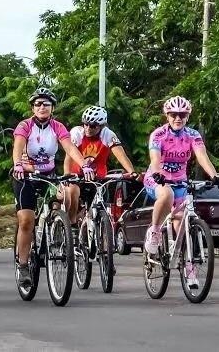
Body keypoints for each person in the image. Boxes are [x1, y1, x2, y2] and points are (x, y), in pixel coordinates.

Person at [11, 88, 94, 287]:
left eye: (46, 104)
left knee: (65, 195)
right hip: (26, 176)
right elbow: (18, 146)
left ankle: (58, 231)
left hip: (48, 175)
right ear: (32, 107)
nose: (42, 107)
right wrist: (17, 164)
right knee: (26, 221)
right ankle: (23, 265)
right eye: (38, 104)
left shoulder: (57, 127)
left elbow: (70, 147)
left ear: (52, 108)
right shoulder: (25, 125)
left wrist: (84, 165)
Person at [143, 96, 219, 289]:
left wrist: (214, 175)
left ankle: (189, 268)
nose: (178, 118)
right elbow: (154, 159)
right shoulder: (158, 134)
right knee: (167, 194)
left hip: (180, 181)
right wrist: (157, 173)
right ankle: (154, 232)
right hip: (157, 178)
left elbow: (202, 156)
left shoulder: (193, 135)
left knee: (181, 220)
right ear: (167, 116)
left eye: (182, 115)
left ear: (187, 116)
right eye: (173, 115)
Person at [63, 105, 136, 225]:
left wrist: (132, 172)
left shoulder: (108, 135)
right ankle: (72, 223)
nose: (88, 128)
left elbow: (121, 155)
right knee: (73, 192)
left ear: (102, 126)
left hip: (97, 177)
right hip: (76, 175)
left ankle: (96, 229)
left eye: (92, 126)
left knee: (99, 206)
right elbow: (69, 156)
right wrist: (67, 174)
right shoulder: (77, 132)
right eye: (85, 124)